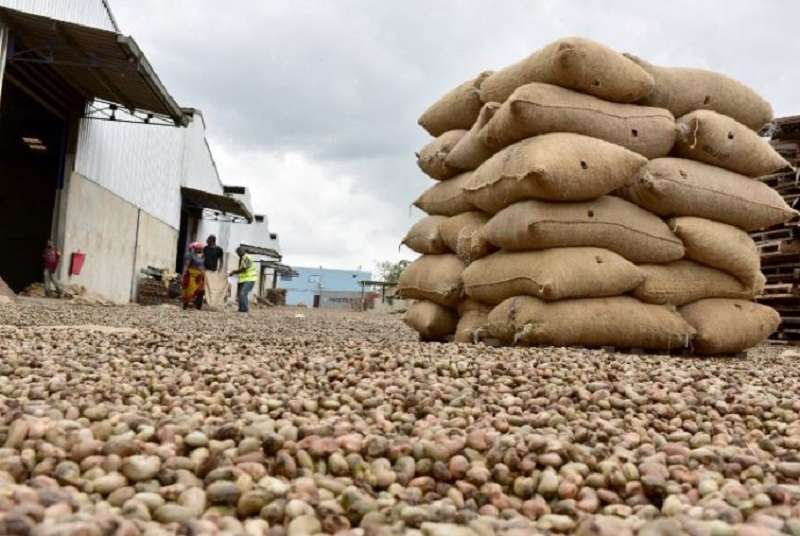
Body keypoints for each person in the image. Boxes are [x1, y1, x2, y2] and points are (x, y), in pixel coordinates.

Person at [229, 245, 257, 313]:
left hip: (250, 279)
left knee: (242, 293)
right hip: (244, 279)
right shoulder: (243, 258)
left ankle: (244, 309)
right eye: (237, 253)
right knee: (242, 294)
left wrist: (234, 272)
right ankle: (241, 309)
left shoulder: (247, 257)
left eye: (239, 252)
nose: (238, 254)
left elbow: (244, 269)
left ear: (242, 251)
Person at [181, 242, 206, 310]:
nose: (202, 250)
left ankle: (198, 306)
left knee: (200, 290)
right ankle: (185, 304)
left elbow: (202, 267)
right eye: (201, 249)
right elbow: (186, 265)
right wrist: (183, 275)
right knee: (189, 290)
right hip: (192, 275)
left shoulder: (200, 256)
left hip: (199, 276)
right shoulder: (190, 255)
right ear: (197, 249)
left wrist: (203, 275)